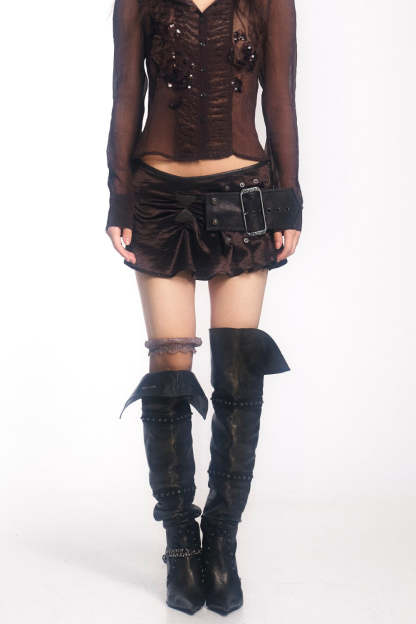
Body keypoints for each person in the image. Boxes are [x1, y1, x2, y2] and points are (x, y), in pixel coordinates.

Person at [105, 0, 303, 616]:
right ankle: (179, 546)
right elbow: (125, 95)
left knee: (239, 376)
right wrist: (119, 199)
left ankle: (221, 543)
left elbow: (281, 100)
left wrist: (288, 202)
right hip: (158, 198)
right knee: (169, 371)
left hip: (245, 197)